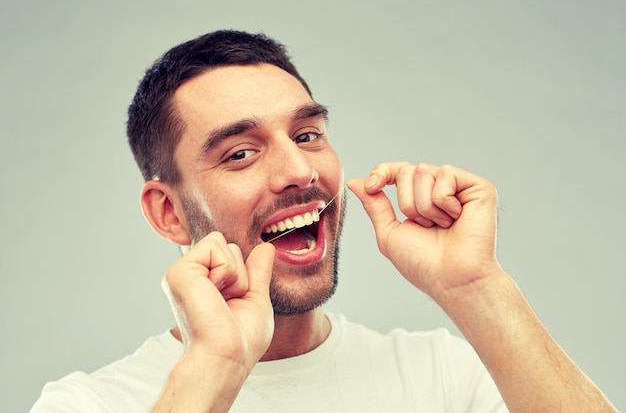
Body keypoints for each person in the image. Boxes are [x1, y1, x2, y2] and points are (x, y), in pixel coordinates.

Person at [31, 30, 617, 413]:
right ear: (168, 212)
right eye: (240, 152)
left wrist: (477, 288)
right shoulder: (86, 403)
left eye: (308, 135)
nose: (298, 169)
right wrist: (214, 368)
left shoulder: (443, 376)